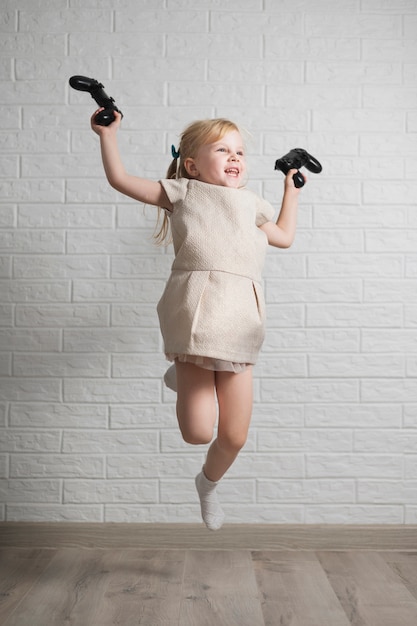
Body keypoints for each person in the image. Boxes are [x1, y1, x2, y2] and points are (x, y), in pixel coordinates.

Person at [91, 109, 305, 530]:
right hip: (196, 317)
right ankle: (182, 371)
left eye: (240, 151)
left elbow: (283, 236)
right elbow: (119, 179)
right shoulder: (183, 192)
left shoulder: (251, 203)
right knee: (196, 433)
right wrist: (107, 135)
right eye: (222, 149)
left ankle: (207, 484)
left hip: (240, 323)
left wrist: (291, 191)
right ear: (191, 164)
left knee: (234, 437)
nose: (234, 157)